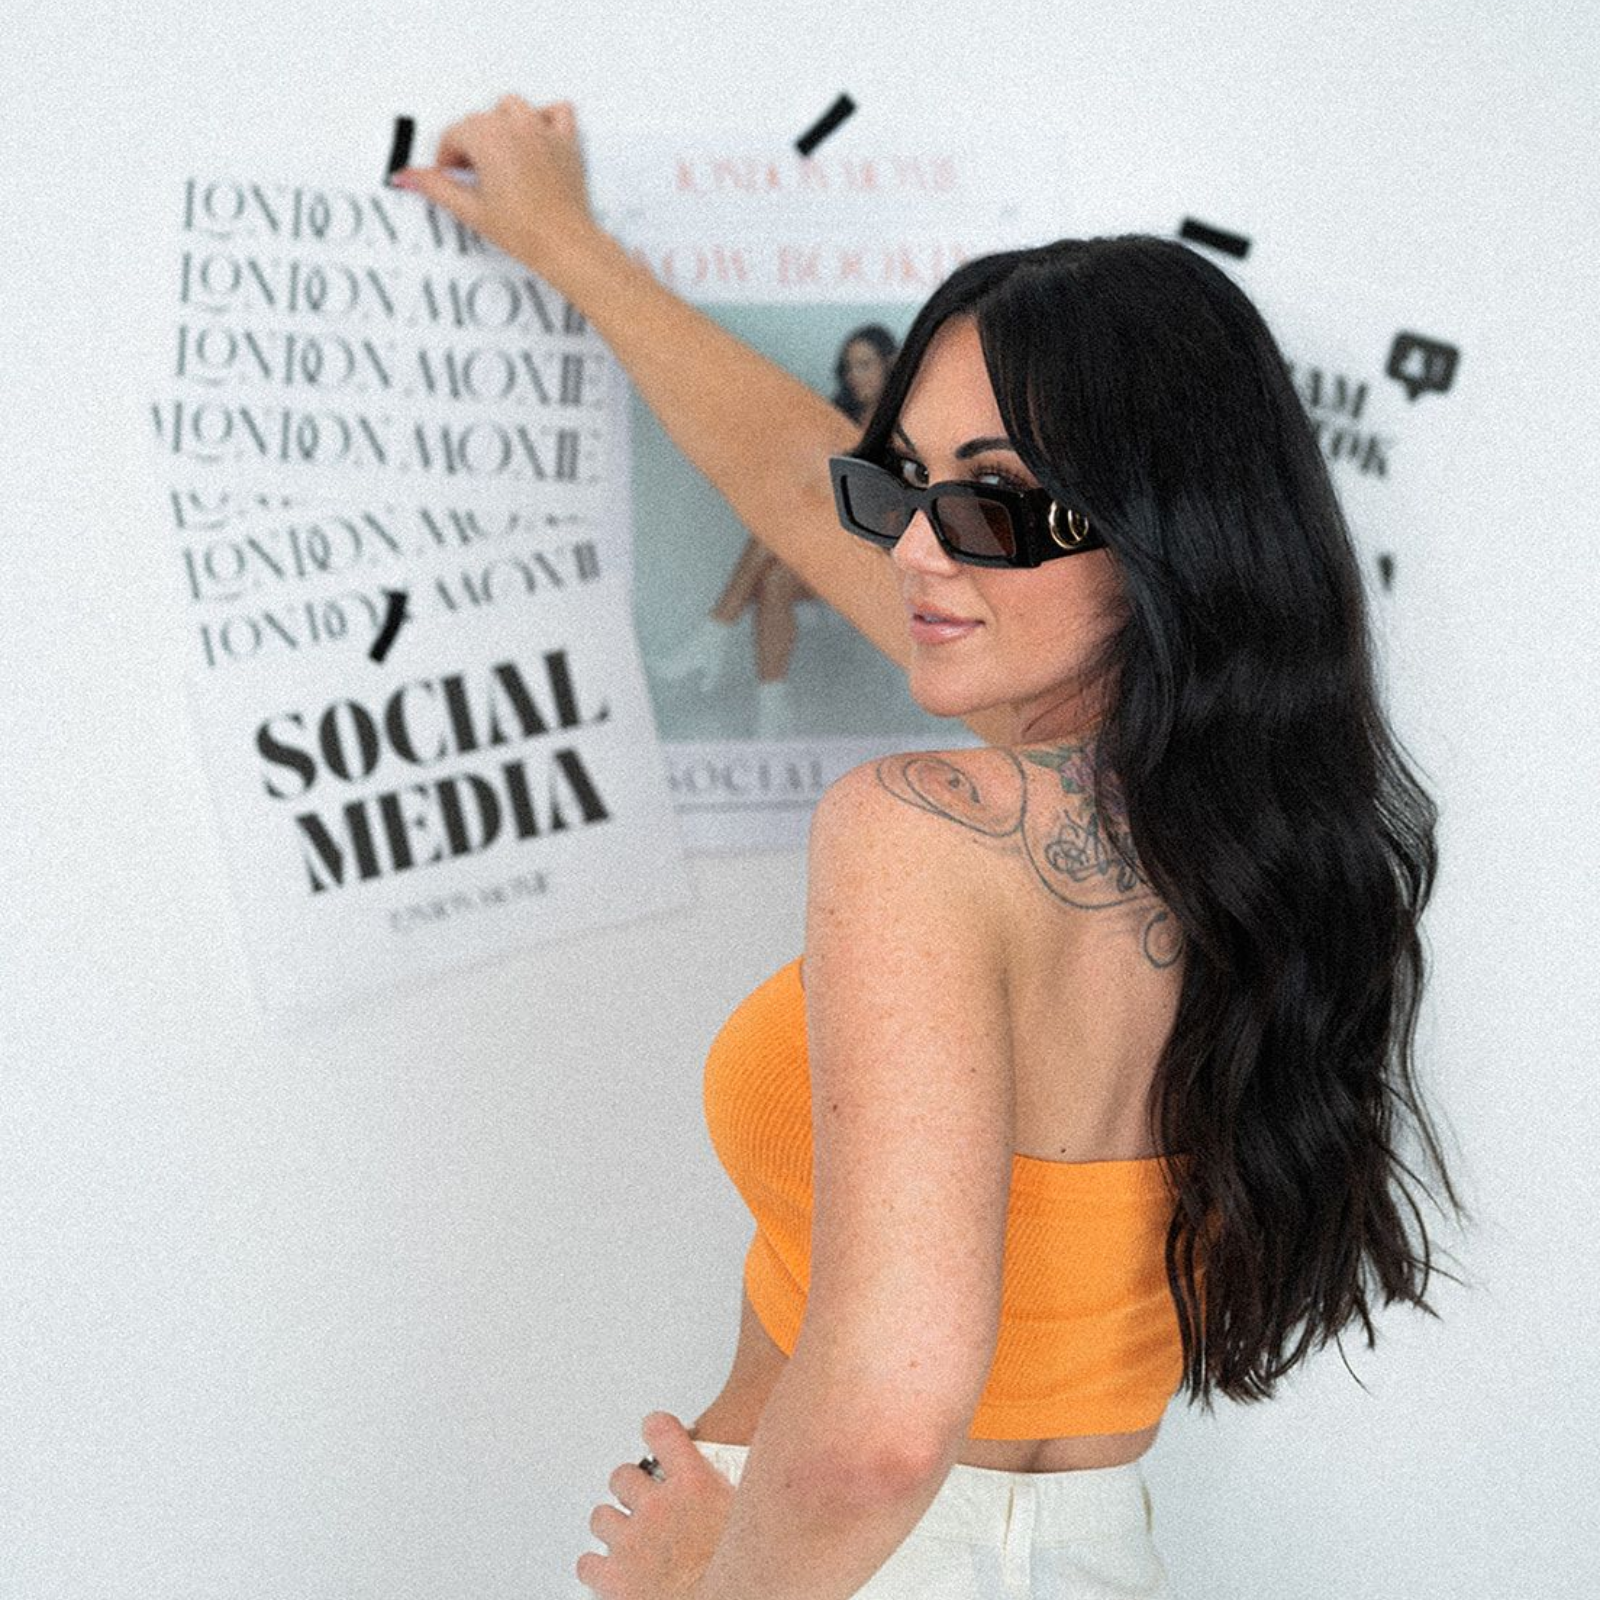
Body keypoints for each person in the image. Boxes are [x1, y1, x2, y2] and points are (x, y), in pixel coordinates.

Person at [393, 96, 1468, 1600]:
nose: (911, 548)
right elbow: (800, 478)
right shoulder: (1261, 853)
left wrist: (713, 1587)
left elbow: (888, 1435)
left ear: (1158, 530)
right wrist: (567, 243)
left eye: (993, 501)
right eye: (905, 482)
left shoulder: (926, 833)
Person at [652, 322, 899, 740]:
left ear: (889, 364)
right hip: (836, 543)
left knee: (783, 520)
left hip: (885, 553)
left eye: (865, 364)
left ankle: (715, 631)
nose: (855, 376)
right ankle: (772, 705)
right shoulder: (837, 417)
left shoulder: (907, 419)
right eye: (849, 368)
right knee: (777, 578)